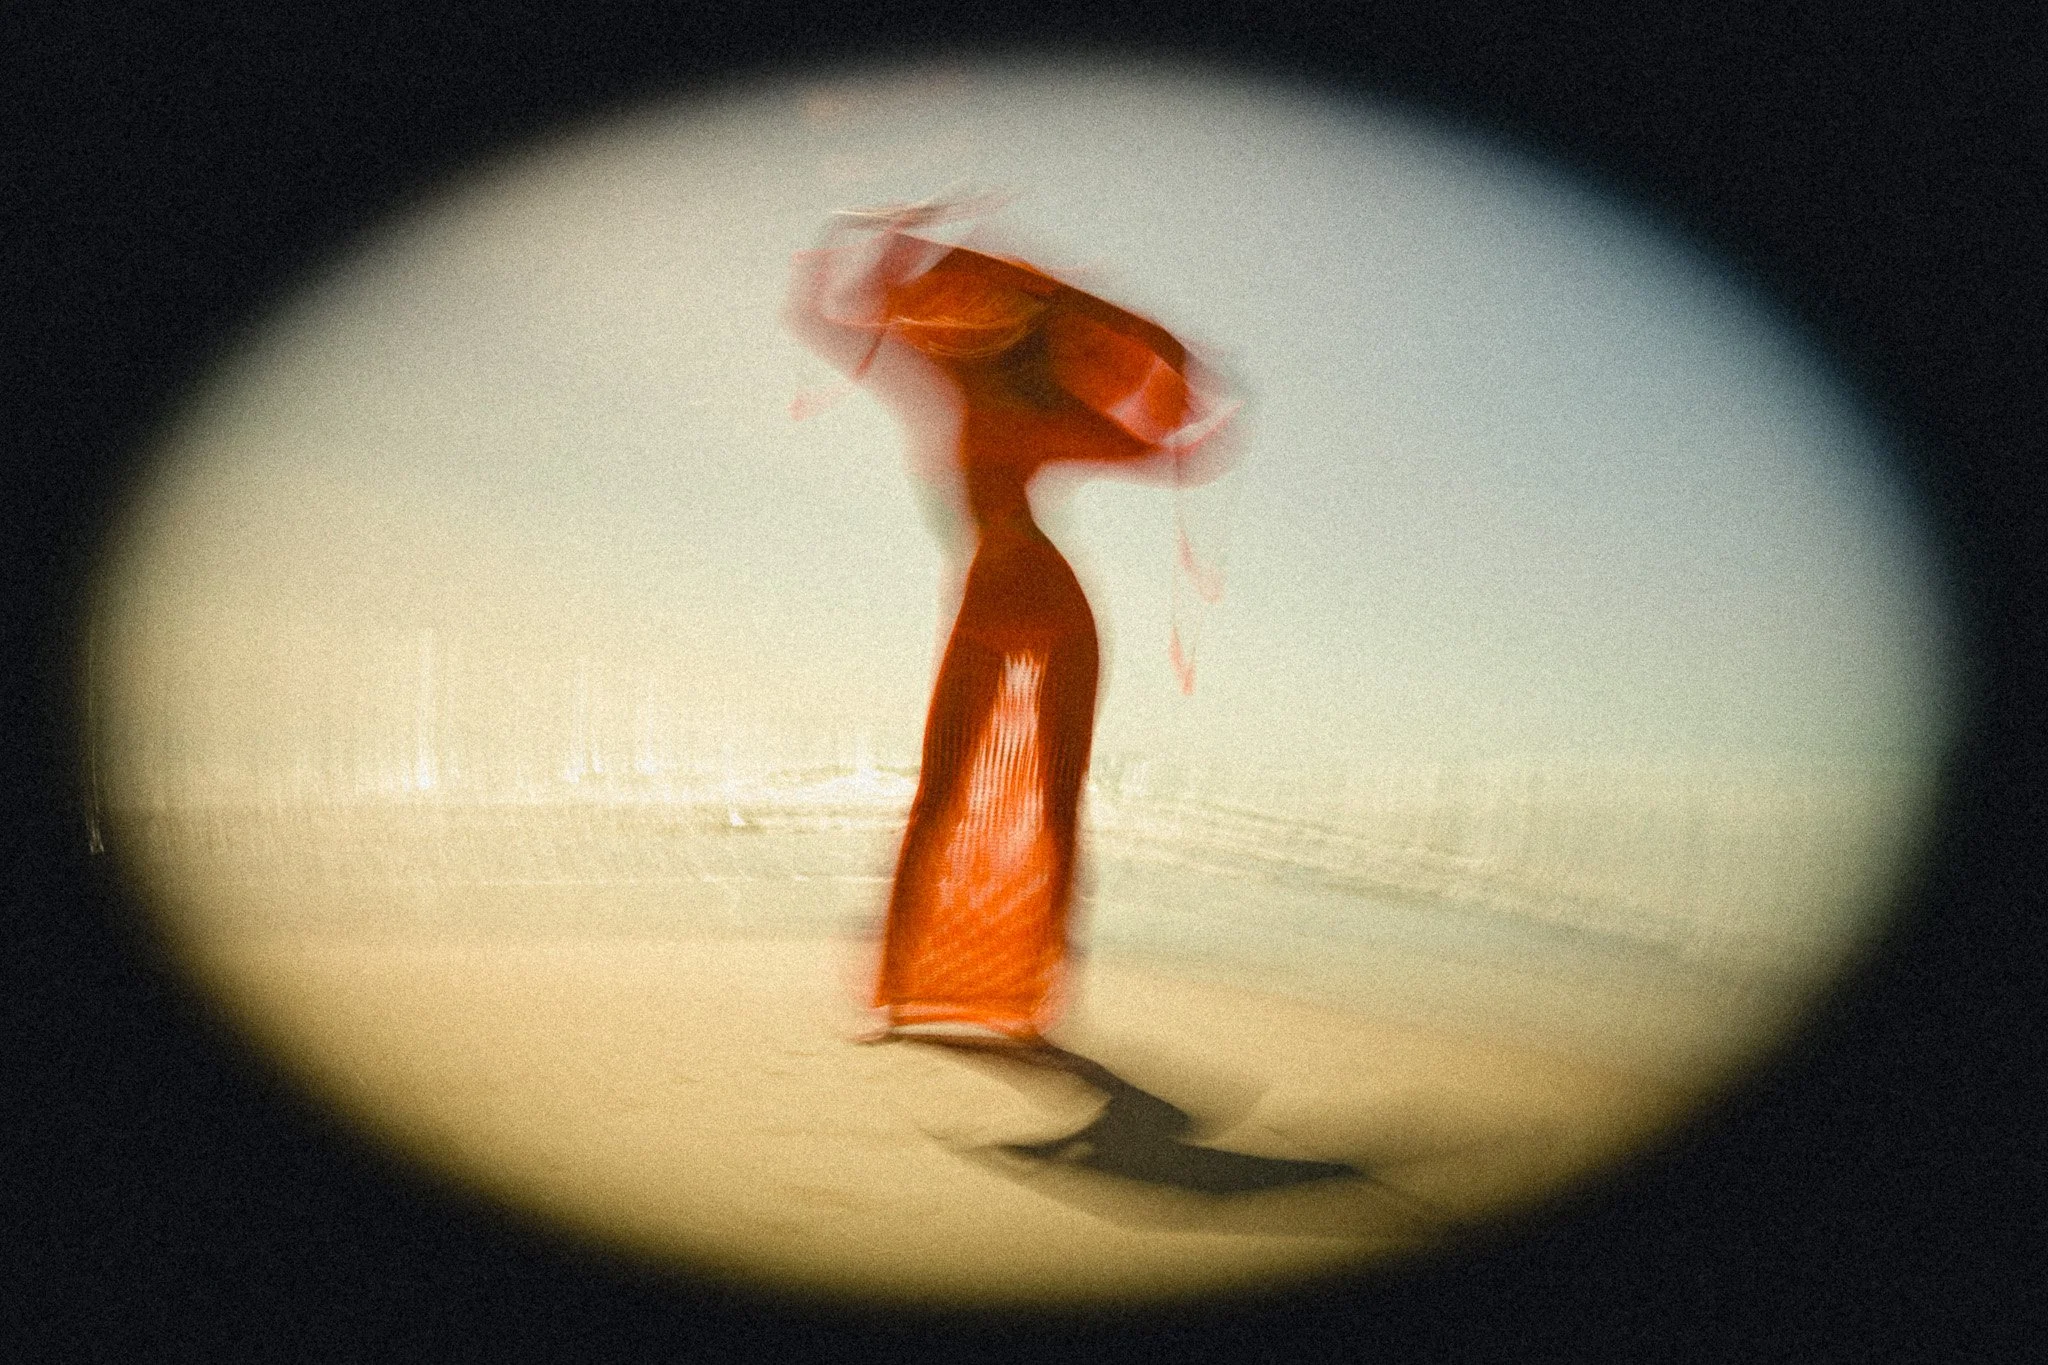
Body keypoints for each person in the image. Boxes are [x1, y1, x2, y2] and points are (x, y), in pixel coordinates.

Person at [786, 198, 1236, 1044]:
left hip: (1060, 615)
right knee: (940, 791)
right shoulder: (946, 371)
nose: (972, 310)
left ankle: (1032, 998)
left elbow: (1177, 446)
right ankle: (900, 990)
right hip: (984, 604)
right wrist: (886, 242)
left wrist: (1158, 358)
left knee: (1056, 805)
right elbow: (825, 316)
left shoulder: (1053, 410)